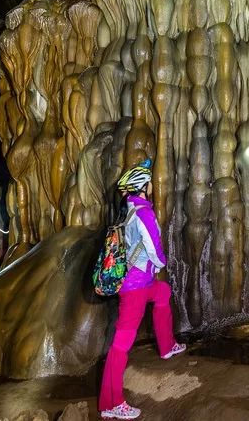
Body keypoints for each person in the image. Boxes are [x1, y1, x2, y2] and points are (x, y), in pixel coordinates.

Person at [99, 160, 186, 420]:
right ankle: (111, 403)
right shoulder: (143, 213)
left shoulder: (128, 211)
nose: (151, 186)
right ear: (143, 187)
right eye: (148, 183)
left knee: (162, 293)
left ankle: (167, 345)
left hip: (142, 284)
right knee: (121, 344)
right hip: (135, 288)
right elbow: (153, 246)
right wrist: (161, 262)